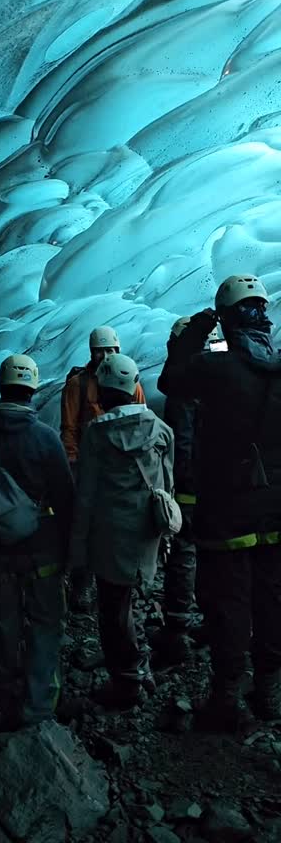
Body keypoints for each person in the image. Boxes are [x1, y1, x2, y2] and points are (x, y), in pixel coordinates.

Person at [158, 275, 281, 731]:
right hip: (276, 511)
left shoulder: (216, 368)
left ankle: (227, 697)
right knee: (273, 599)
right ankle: (269, 689)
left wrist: (193, 333)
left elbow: (171, 380)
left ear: (225, 317)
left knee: (229, 602)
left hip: (228, 510)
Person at [0, 353, 74, 731]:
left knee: (4, 625)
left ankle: (7, 701)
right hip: (42, 550)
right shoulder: (44, 436)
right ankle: (38, 706)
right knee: (44, 625)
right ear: (32, 388)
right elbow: (65, 497)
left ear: (1, 385)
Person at [70, 353, 174, 708]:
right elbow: (168, 484)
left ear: (102, 389)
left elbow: (85, 496)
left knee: (113, 610)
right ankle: (141, 667)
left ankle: (127, 681)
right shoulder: (161, 430)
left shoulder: (96, 434)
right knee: (135, 600)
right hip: (148, 532)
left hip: (110, 536)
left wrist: (78, 548)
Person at [60, 325, 146, 612]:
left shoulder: (129, 380)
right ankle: (82, 585)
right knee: (85, 525)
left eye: (111, 350)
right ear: (92, 352)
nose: (106, 355)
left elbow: (140, 420)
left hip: (121, 465)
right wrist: (73, 462)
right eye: (102, 350)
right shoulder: (79, 385)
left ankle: (119, 583)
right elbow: (70, 427)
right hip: (90, 465)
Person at [156, 319, 221, 664]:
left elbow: (182, 442)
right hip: (219, 486)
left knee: (184, 555)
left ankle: (178, 630)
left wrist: (180, 487)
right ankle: (214, 624)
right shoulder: (223, 380)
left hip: (191, 487)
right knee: (216, 557)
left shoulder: (185, 387)